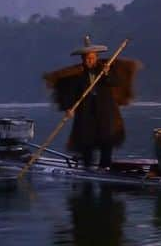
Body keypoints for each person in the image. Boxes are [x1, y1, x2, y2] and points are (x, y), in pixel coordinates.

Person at [43, 36, 139, 169]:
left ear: (96, 57)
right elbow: (71, 93)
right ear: (83, 59)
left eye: (92, 58)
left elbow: (116, 82)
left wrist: (106, 74)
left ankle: (105, 166)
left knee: (106, 139)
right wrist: (68, 108)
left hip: (105, 110)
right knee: (86, 139)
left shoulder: (105, 69)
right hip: (85, 111)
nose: (90, 60)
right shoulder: (78, 74)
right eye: (87, 58)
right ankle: (87, 167)